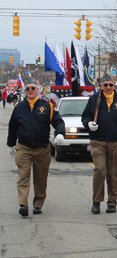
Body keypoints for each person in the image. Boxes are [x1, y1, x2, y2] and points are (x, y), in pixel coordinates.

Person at [7, 77, 65, 216]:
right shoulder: (19, 107)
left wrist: (61, 133)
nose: (31, 90)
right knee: (23, 176)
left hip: (42, 148)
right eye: (28, 89)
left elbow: (58, 121)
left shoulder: (47, 106)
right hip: (24, 147)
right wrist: (11, 144)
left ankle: (38, 204)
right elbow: (13, 126)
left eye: (33, 88)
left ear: (38, 90)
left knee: (40, 178)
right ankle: (23, 205)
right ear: (25, 91)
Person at [82, 75, 117, 214]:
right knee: (100, 170)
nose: (108, 88)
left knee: (112, 173)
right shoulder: (94, 100)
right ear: (101, 86)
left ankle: (112, 202)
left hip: (115, 142)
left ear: (114, 86)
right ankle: (96, 201)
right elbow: (85, 116)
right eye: (105, 85)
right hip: (98, 140)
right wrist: (88, 123)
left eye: (110, 85)